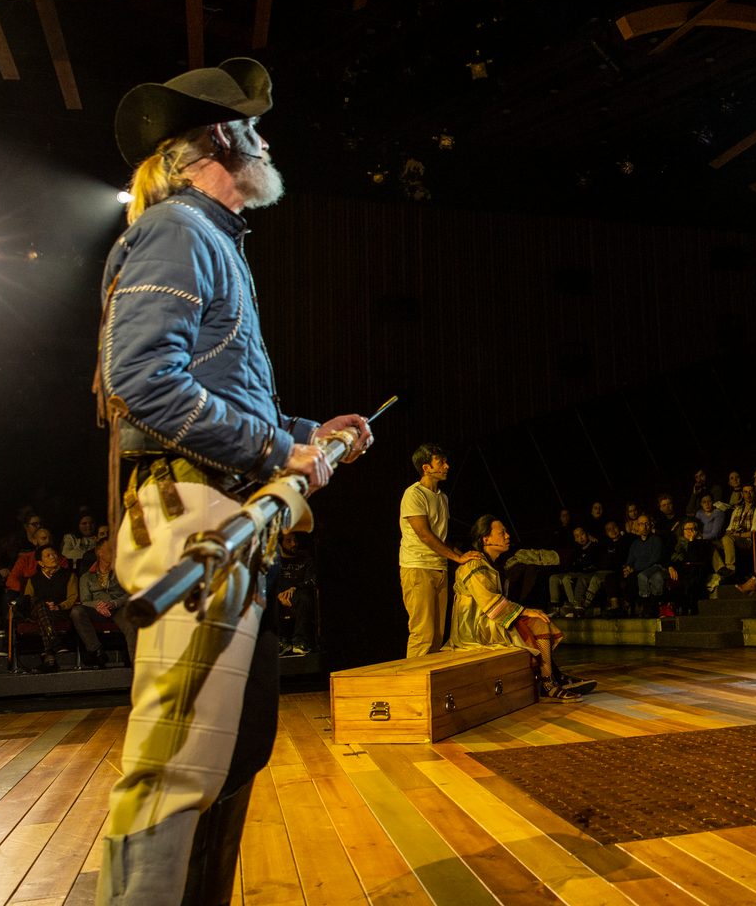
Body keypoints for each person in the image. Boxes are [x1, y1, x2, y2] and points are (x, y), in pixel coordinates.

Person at [94, 57, 373, 905]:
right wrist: (274, 449)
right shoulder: (181, 229)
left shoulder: (209, 238)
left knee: (230, 750)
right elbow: (141, 379)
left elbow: (218, 397)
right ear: (218, 140)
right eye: (252, 126)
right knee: (177, 766)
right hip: (192, 520)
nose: (265, 138)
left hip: (220, 515)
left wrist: (304, 436)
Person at [451, 515, 590, 701]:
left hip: (491, 619)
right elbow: (489, 602)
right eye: (502, 533)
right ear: (486, 539)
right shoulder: (474, 564)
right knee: (537, 623)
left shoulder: (494, 565)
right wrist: (525, 611)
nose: (508, 536)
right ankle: (548, 683)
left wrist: (525, 611)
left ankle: (553, 677)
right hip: (475, 627)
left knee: (539, 620)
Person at [399, 443, 479, 658]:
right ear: (426, 467)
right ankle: (412, 686)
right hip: (418, 567)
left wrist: (460, 554)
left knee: (436, 634)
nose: (446, 466)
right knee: (422, 633)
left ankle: (428, 685)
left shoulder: (442, 497)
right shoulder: (414, 494)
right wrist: (456, 557)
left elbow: (441, 536)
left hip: (438, 567)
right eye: (440, 462)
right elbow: (424, 534)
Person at [71, 537, 138, 665]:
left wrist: (114, 603)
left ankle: (135, 663)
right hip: (96, 610)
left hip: (118, 607)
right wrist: (98, 605)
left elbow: (129, 593)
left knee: (130, 621)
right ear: (99, 552)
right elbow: (85, 600)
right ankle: (96, 650)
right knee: (76, 612)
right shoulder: (86, 576)